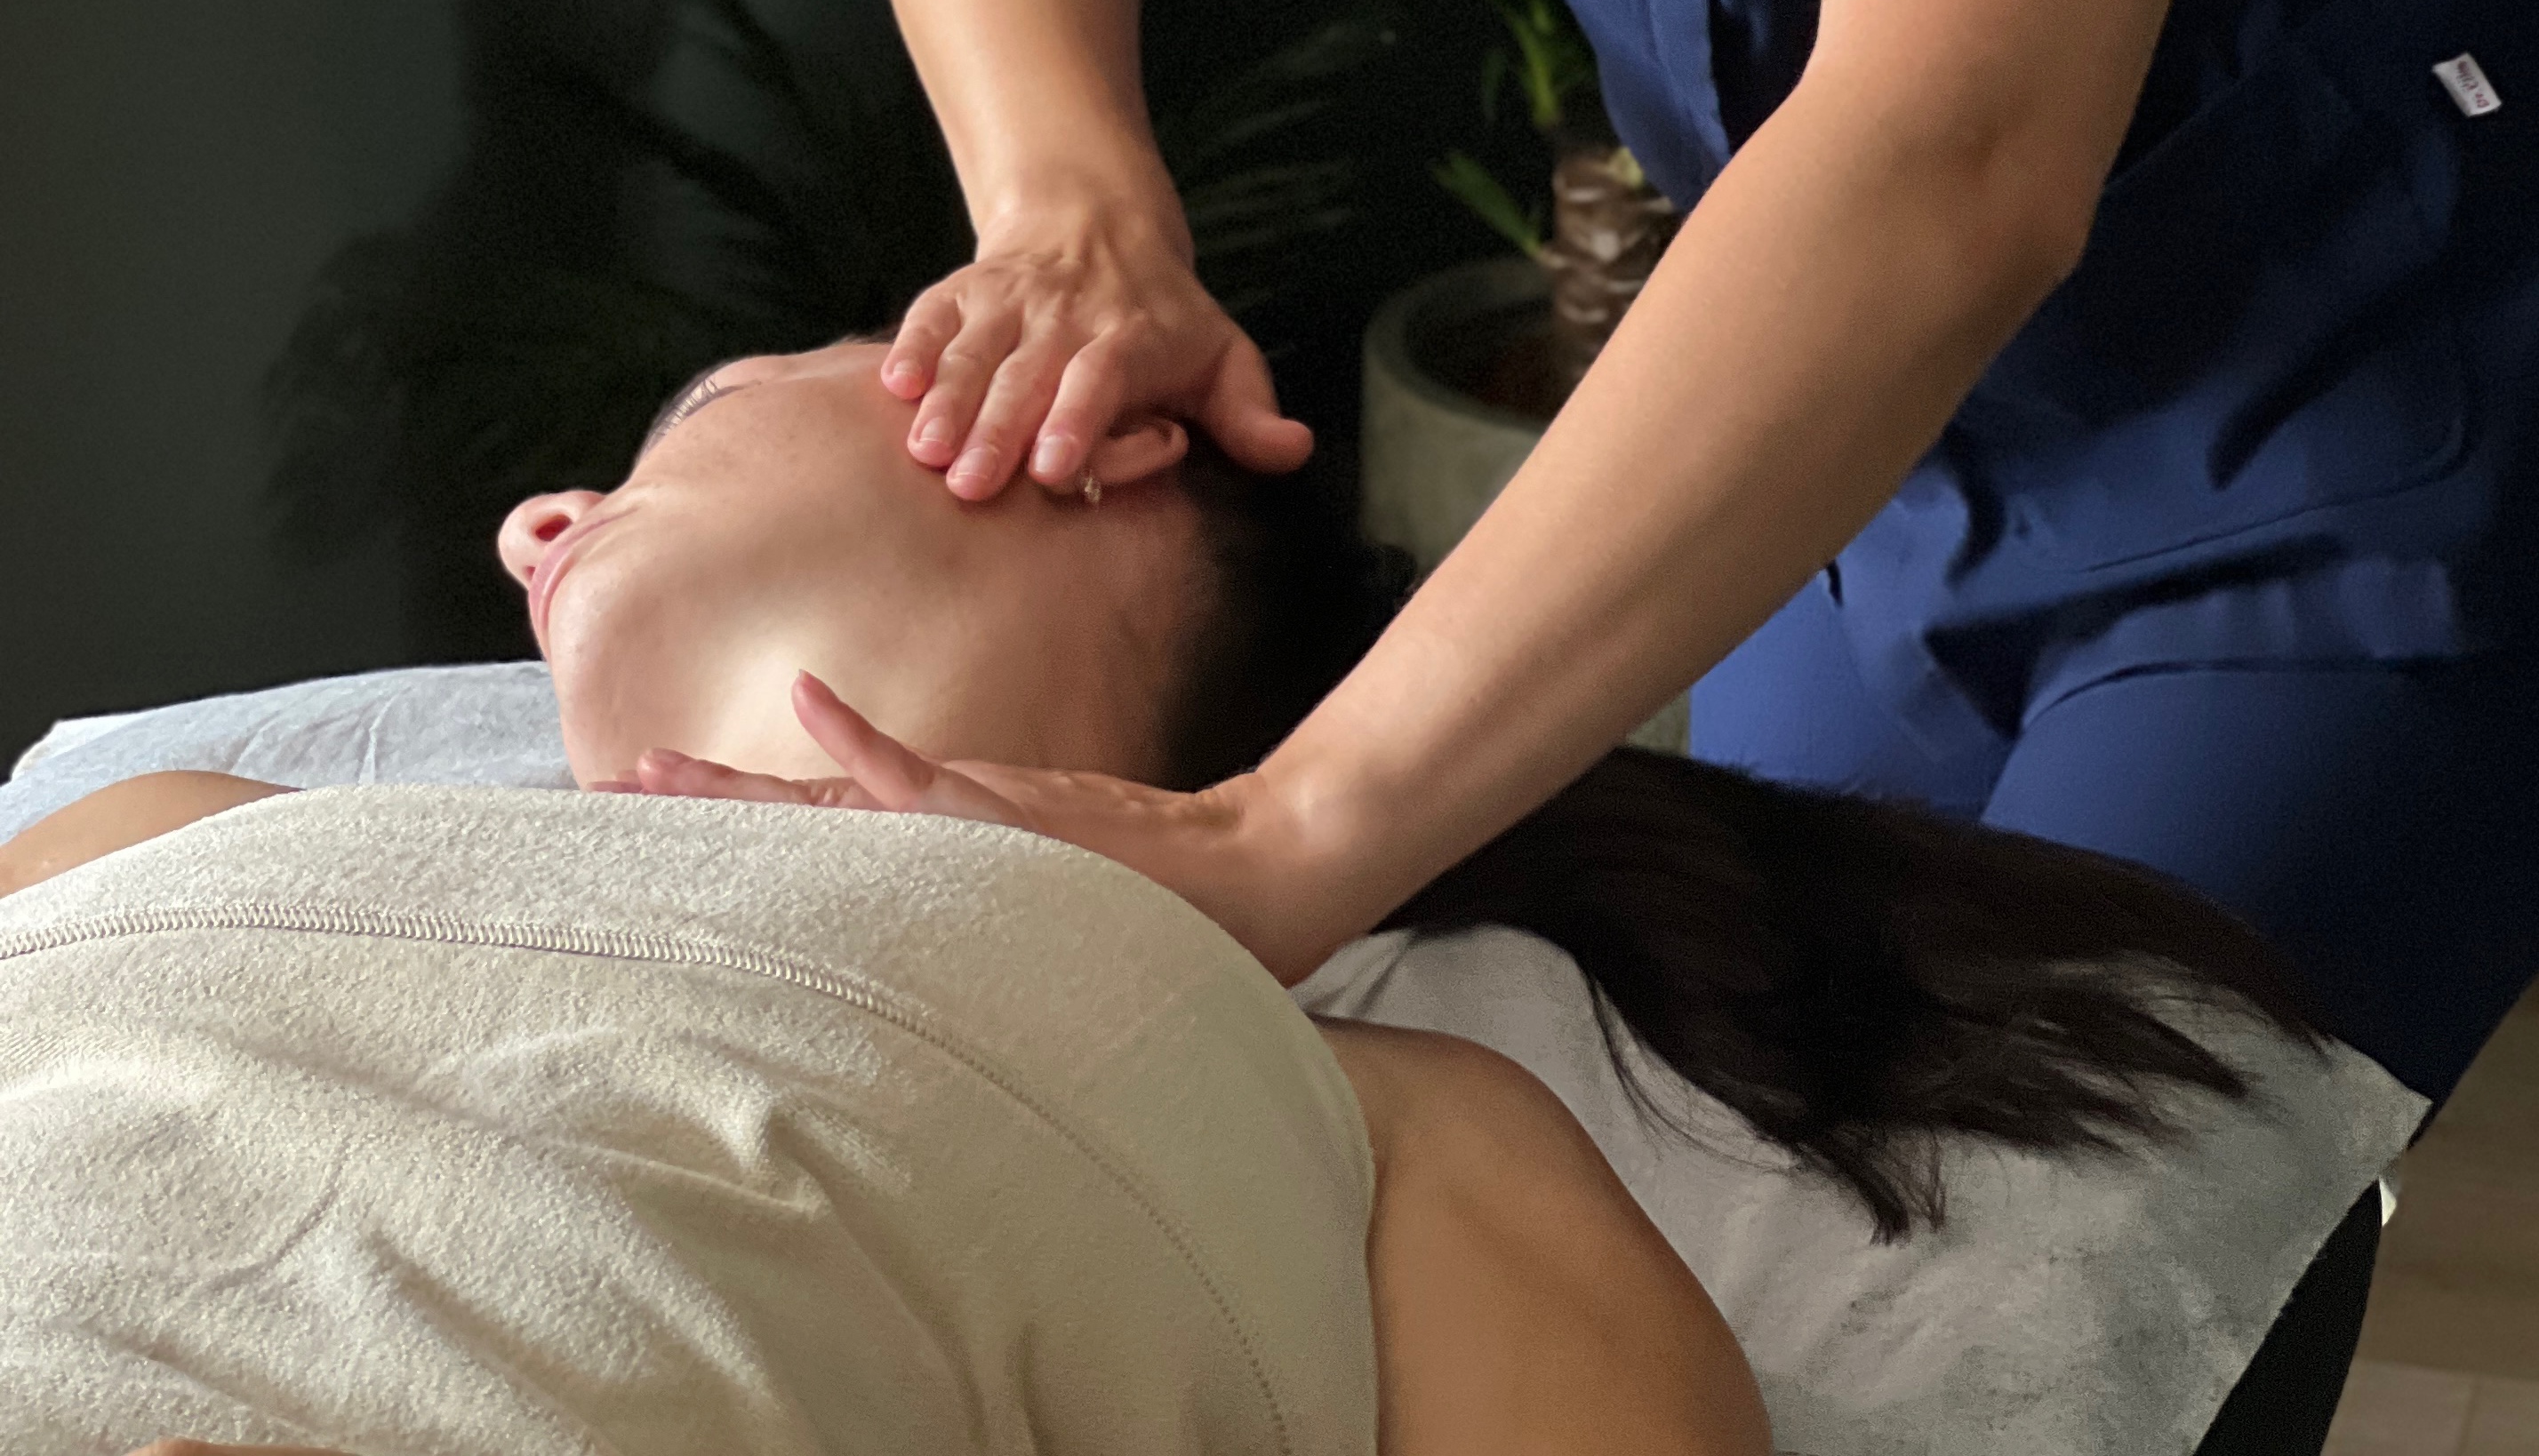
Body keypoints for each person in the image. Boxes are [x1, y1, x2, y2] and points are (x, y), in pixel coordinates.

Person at [841, 0, 2539, 1144]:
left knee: (2060, 1280)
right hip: (1870, 445)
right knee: (1716, 1171)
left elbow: (1963, 150)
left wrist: (1290, 831)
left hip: (2360, 406)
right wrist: (1069, 204)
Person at [1, 336, 2346, 1453]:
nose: (540, 521)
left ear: (1085, 445)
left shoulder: (1358, 1107)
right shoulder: (179, 824)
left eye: (691, 408)